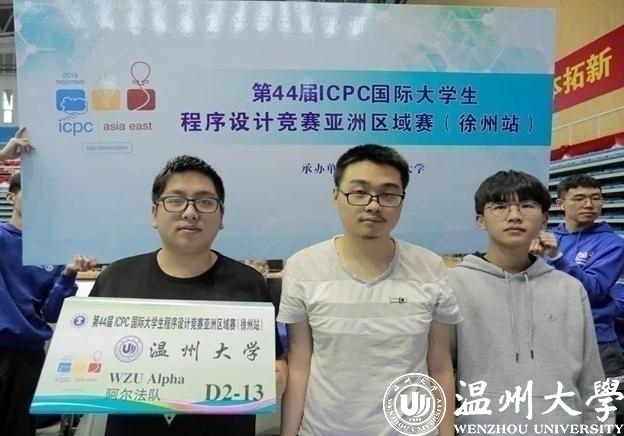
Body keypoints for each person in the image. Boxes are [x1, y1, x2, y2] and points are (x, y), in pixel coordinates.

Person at [89, 155, 287, 436]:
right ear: (154, 213)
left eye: (205, 202)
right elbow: (86, 361)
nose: (190, 212)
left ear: (221, 217)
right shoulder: (116, 278)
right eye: (176, 200)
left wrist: (275, 381)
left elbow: (275, 361)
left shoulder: (249, 283)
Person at [278, 144, 461, 436]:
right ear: (336, 196)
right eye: (359, 192)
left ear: (401, 201)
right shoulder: (303, 267)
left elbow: (439, 366)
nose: (373, 205)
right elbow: (300, 366)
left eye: (388, 194)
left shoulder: (430, 267)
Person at [450, 170, 605, 429]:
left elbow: (591, 379)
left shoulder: (569, 289)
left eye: (527, 205)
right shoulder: (453, 285)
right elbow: (438, 372)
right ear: (480, 220)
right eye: (500, 206)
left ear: (544, 218)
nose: (514, 215)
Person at [0, 130, 96, 436]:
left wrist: (68, 274)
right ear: (10, 196)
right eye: (27, 189)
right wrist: (2, 156)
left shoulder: (53, 252)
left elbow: (52, 313)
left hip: (26, 356)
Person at [532, 174, 624, 387]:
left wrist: (557, 257)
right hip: (553, 338)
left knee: (606, 404)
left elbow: (594, 290)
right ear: (561, 203)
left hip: (597, 341)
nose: (589, 204)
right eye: (579, 198)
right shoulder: (549, 238)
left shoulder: (612, 244)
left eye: (596, 198)